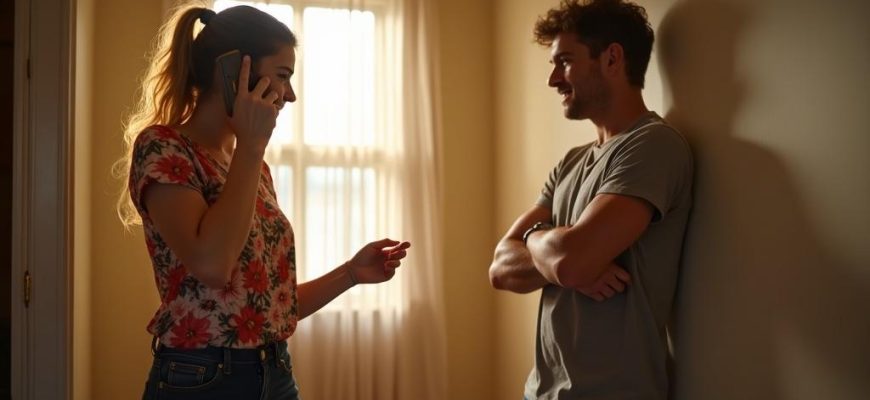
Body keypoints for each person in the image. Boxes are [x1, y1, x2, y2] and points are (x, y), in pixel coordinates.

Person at [116, 5, 411, 400]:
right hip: (202, 377)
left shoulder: (251, 165)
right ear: (232, 70)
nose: (290, 95)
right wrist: (252, 146)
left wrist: (351, 274)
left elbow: (264, 308)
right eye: (283, 75)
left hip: (276, 372)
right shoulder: (164, 147)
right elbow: (212, 265)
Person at [488, 0, 693, 398]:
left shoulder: (653, 146)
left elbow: (571, 262)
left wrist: (537, 239)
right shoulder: (571, 161)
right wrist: (557, 254)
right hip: (540, 392)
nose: (553, 80)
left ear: (612, 58)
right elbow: (500, 268)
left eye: (565, 61)